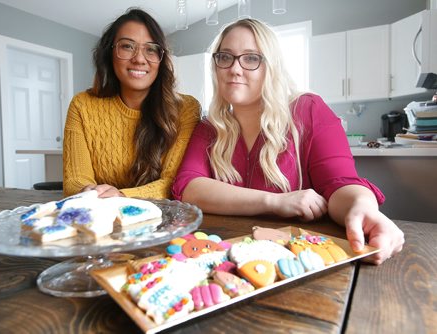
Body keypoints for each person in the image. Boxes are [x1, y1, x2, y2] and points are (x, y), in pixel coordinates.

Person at [172, 18, 404, 265]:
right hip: (224, 257)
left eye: (251, 58)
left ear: (272, 67)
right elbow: (189, 187)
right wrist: (275, 202)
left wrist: (363, 208)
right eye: (225, 57)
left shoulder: (308, 109)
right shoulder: (210, 127)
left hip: (300, 260)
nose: (235, 69)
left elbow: (340, 183)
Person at [63, 8, 200, 199]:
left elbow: (174, 183)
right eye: (127, 46)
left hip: (162, 219)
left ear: (161, 59)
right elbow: (75, 179)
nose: (139, 59)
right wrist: (88, 192)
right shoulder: (82, 105)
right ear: (109, 53)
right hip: (99, 215)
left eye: (151, 49)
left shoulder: (187, 108)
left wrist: (121, 196)